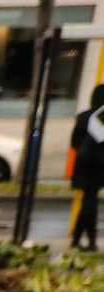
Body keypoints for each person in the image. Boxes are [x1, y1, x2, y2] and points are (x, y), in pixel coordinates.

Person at [72, 86, 104, 254]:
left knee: (88, 200)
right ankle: (90, 242)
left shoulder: (83, 117)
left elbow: (74, 142)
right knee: (90, 202)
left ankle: (77, 240)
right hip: (99, 166)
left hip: (83, 165)